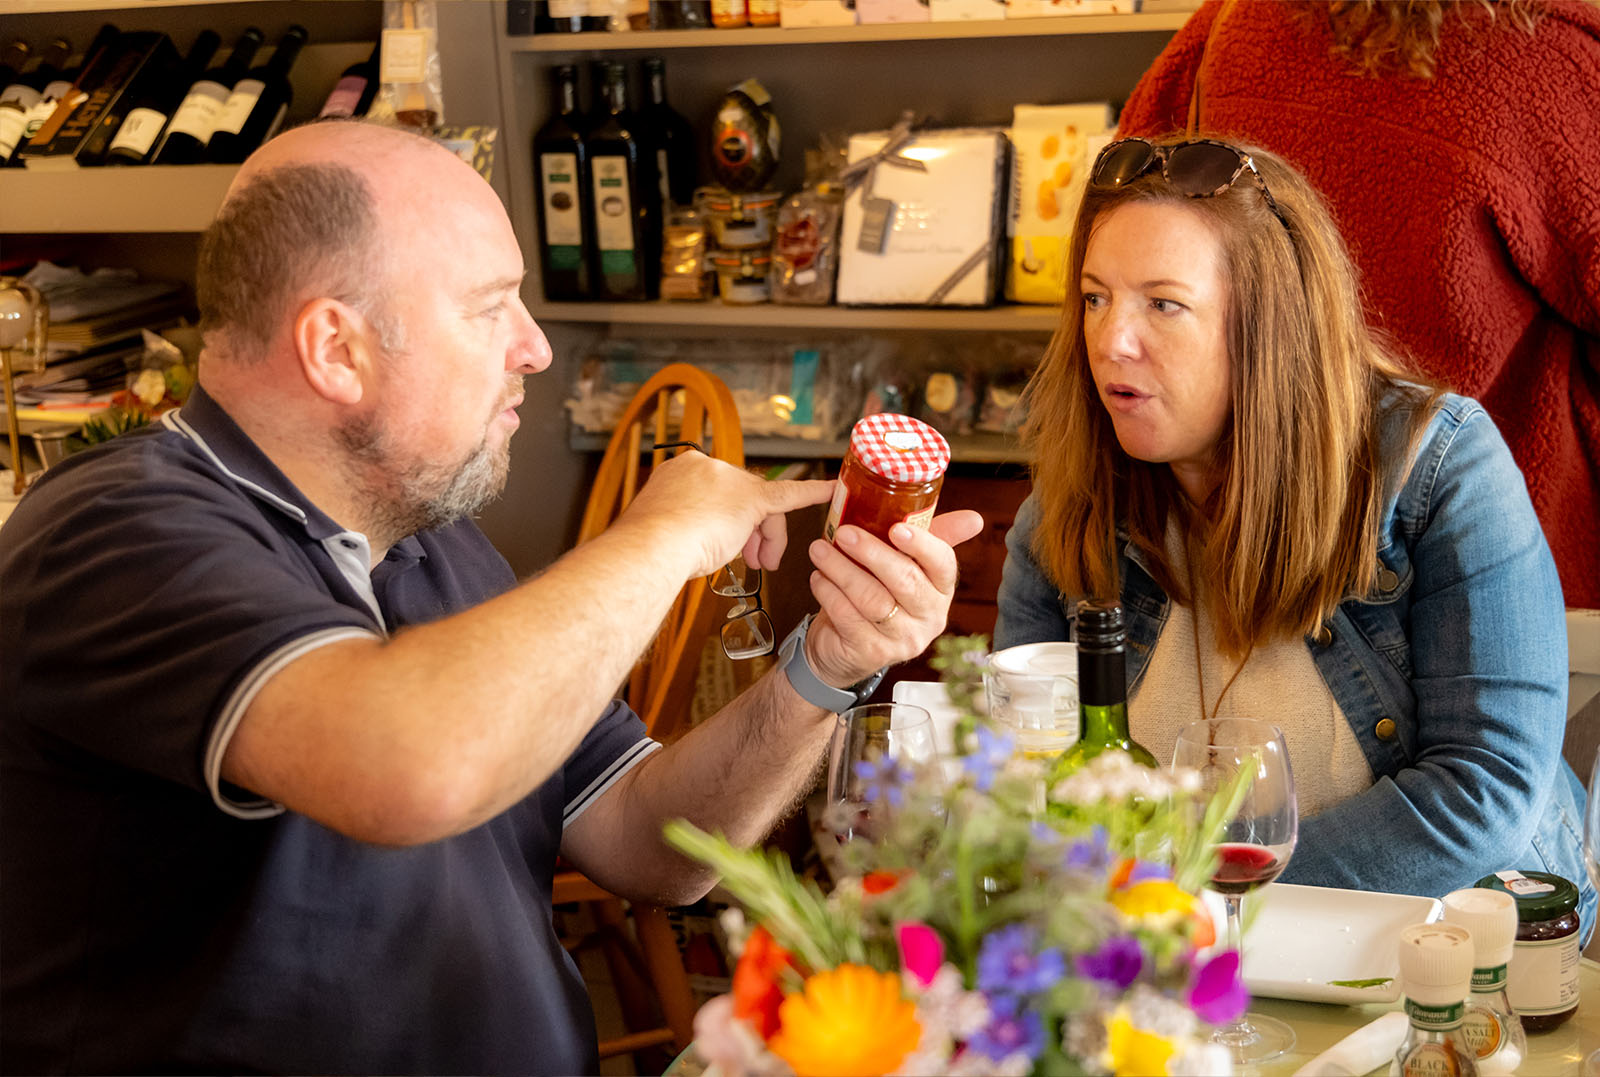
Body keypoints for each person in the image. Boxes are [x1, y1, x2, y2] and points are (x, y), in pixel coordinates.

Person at [0, 120, 984, 1075]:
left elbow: (655, 843)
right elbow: (407, 768)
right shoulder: (117, 534)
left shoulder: (428, 537)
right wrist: (662, 534)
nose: (535, 348)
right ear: (335, 349)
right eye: (489, 307)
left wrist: (822, 665)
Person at [994, 134, 1595, 937]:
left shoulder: (1439, 466)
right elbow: (1008, 780)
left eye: (1162, 304)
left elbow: (1483, 792)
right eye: (1096, 297)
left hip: (1450, 943)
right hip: (1177, 967)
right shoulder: (1074, 494)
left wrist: (1204, 907)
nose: (1111, 341)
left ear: (1268, 321)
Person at [1114, 0, 1600, 609]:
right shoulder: (1552, 63)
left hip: (1238, 549)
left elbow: (1118, 229)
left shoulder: (1226, 31)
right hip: (1491, 569)